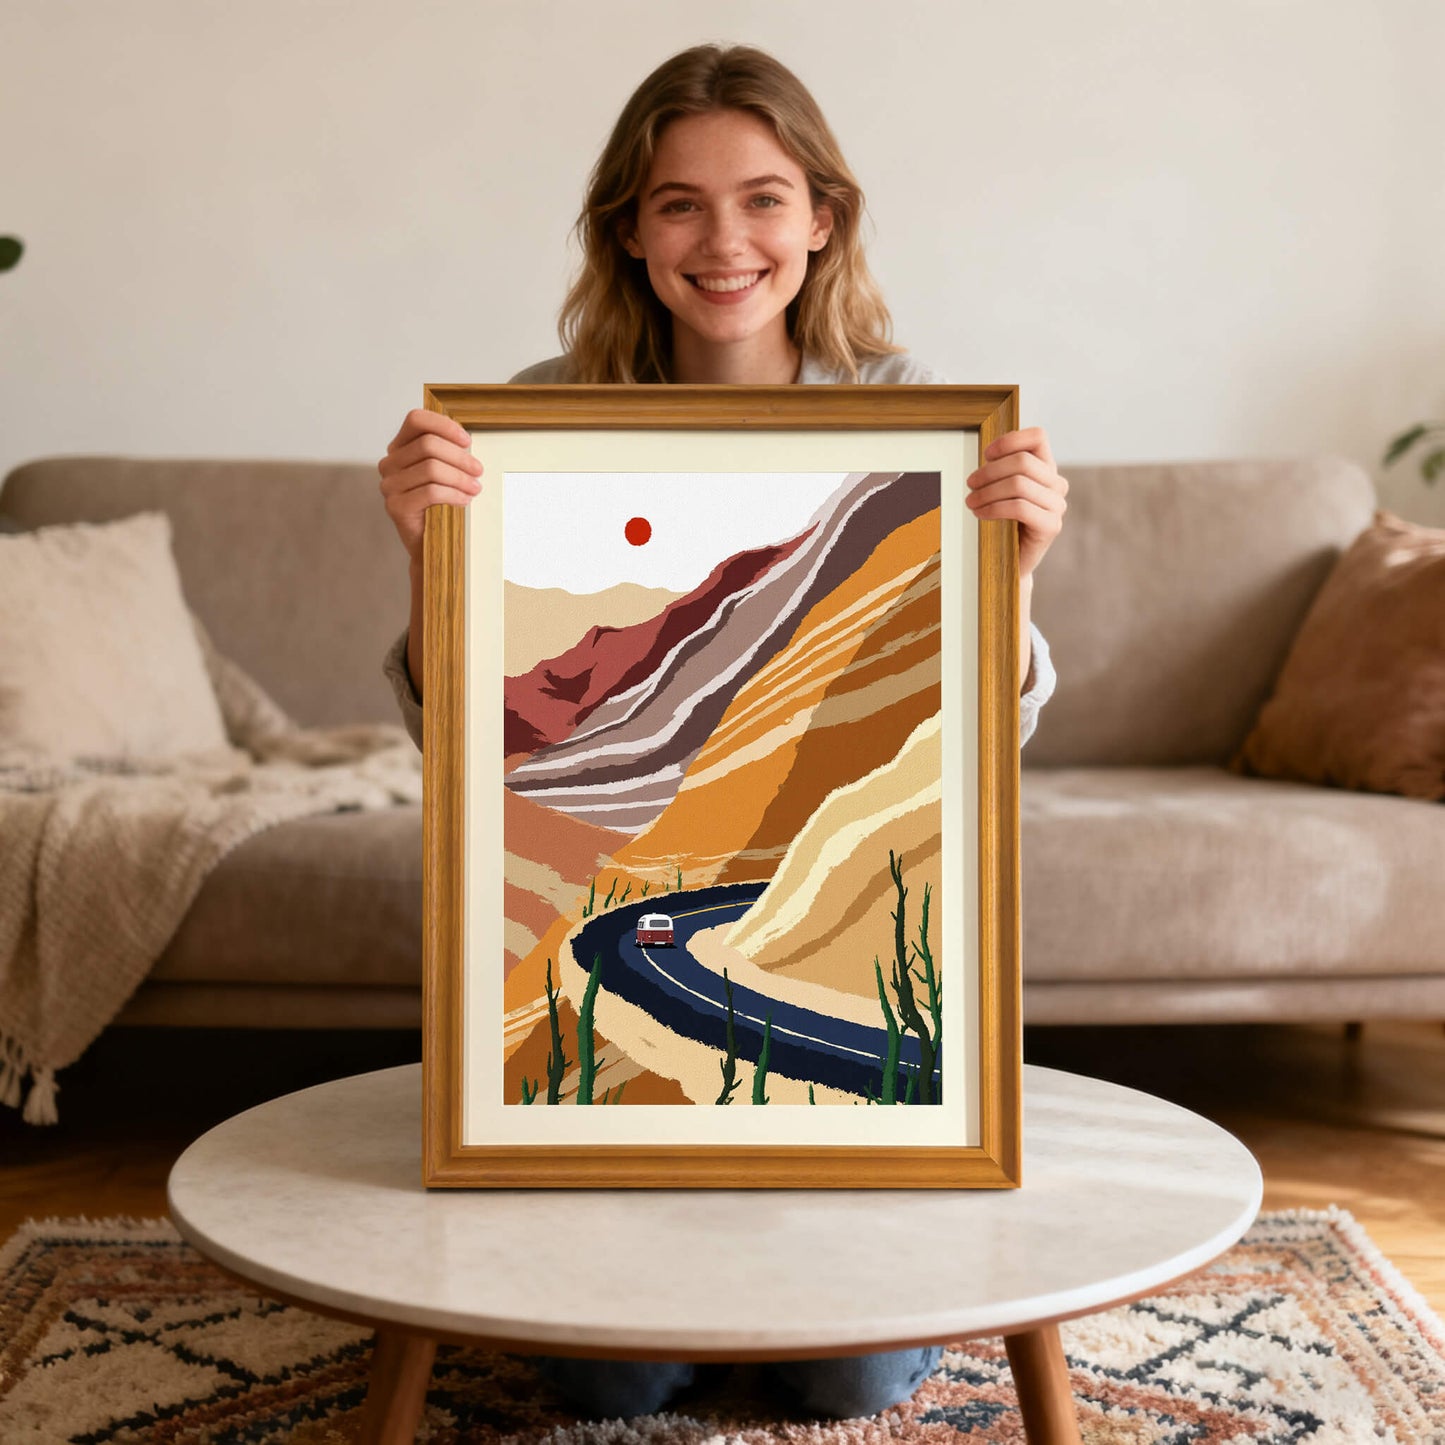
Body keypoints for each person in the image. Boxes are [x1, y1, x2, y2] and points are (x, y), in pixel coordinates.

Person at [377, 43, 1066, 1423]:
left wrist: (1016, 578)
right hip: (601, 999)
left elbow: (968, 744)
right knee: (608, 1380)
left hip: (844, 950)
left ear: (822, 219)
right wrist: (428, 560)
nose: (724, 240)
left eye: (762, 199)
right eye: (678, 204)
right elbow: (472, 747)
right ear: (629, 231)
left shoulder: (911, 416)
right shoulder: (538, 418)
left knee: (840, 1381)